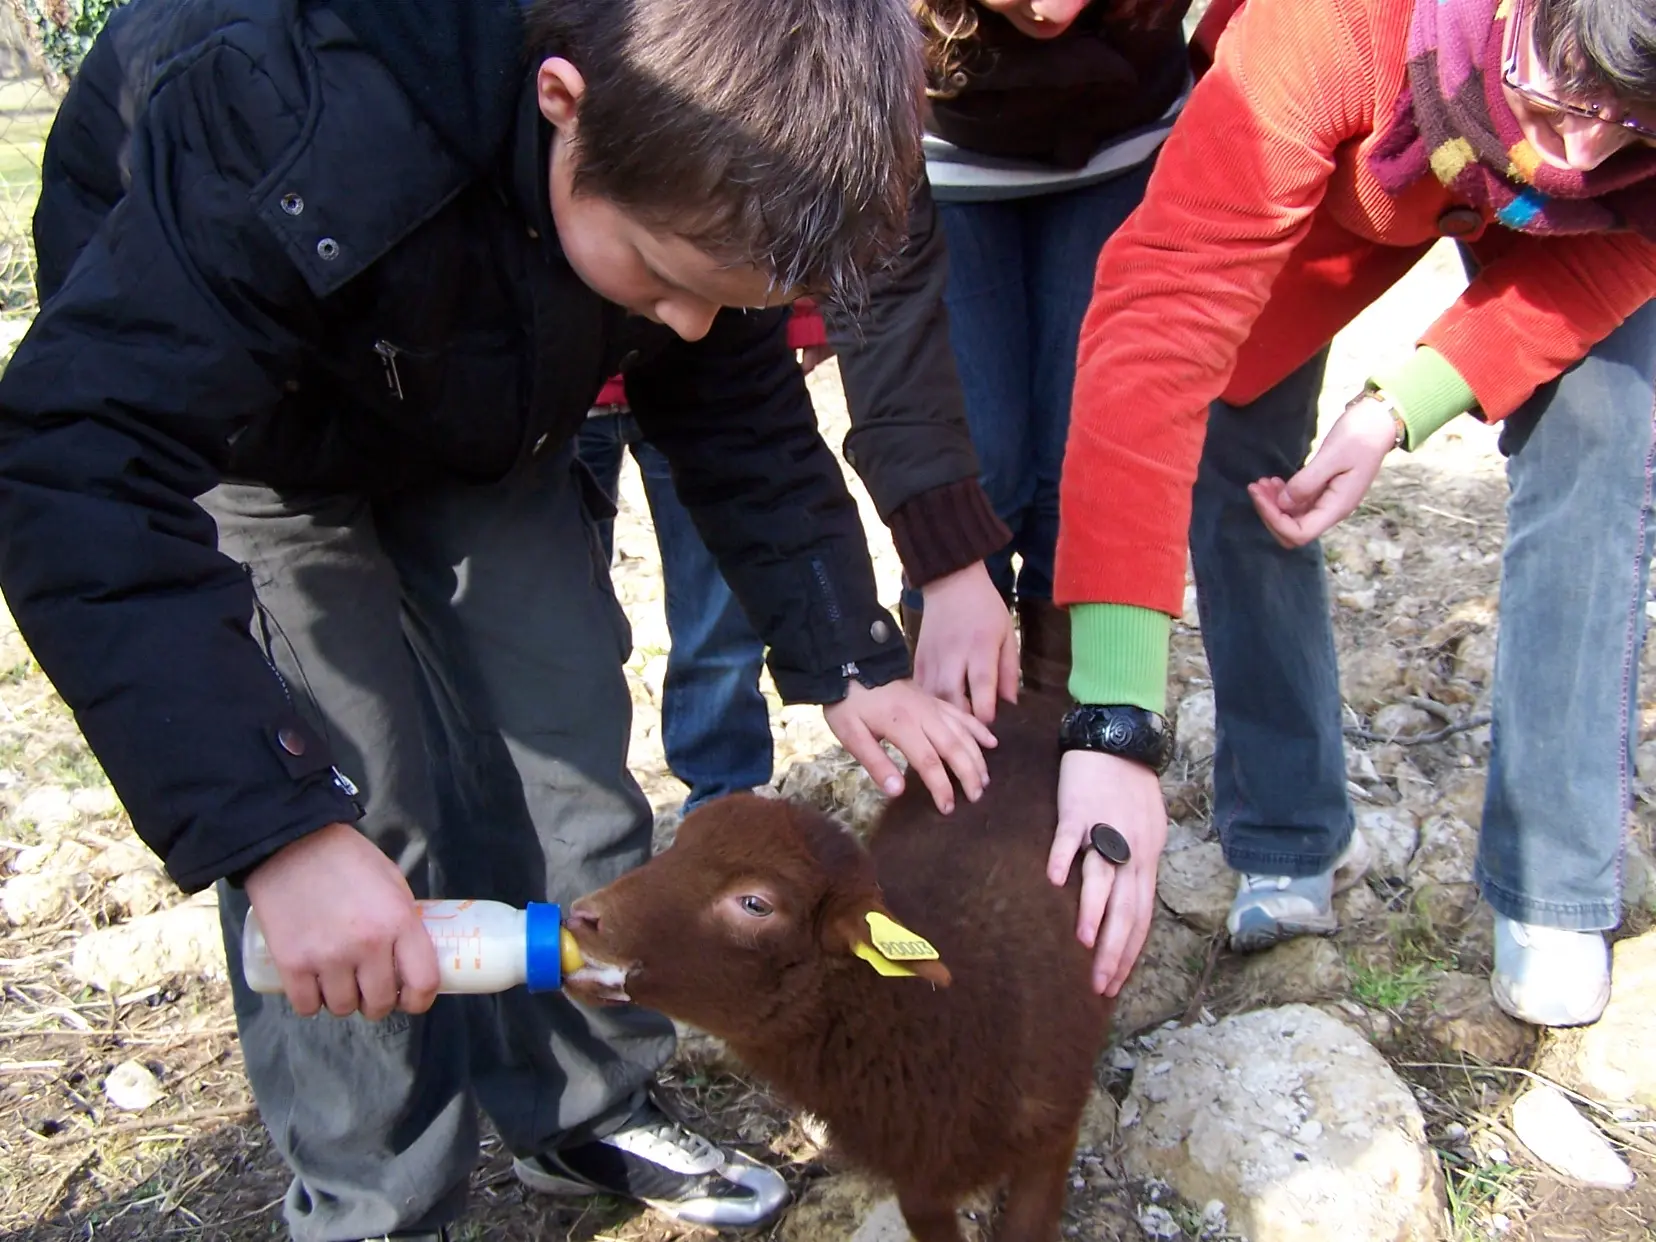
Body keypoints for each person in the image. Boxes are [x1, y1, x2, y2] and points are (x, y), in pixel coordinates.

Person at [0, 1, 999, 1239]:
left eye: (718, 297)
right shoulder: (279, 102)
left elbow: (725, 387)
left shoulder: (689, 135)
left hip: (489, 397)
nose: (683, 328)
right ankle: (374, 1202)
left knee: (566, 747)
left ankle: (582, 1106)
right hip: (252, 426)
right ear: (565, 105)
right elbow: (80, 459)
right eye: (670, 282)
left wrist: (845, 651)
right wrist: (271, 829)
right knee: (358, 817)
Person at [1050, 0, 1656, 1026]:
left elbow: (1623, 238)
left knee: (1605, 431)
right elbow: (1160, 331)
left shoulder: (1617, 142)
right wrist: (1114, 718)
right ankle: (1285, 835)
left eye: (1630, 120)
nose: (1580, 149)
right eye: (1568, 94)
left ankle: (1552, 881)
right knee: (1230, 433)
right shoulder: (1328, 23)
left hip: (1572, 245)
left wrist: (1397, 409)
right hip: (1354, 167)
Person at [824, 0, 1194, 723]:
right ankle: (962, 759)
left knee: (1083, 467)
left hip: (1127, 144)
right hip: (933, 153)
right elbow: (884, 328)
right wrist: (944, 557)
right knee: (980, 470)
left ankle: (1072, 743)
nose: (1050, 6)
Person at [571, 304, 831, 815]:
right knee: (563, 628)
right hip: (560, 390)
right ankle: (579, 813)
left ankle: (724, 802)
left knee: (720, 612)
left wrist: (804, 316)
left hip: (699, 372)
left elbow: (741, 226)